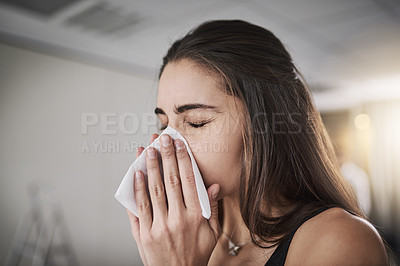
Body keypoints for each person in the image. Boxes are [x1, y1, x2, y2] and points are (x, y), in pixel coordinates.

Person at [125, 20, 388, 265]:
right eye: (164, 125)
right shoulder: (184, 235)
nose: (165, 146)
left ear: (265, 124)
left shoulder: (338, 241)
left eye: (196, 122)